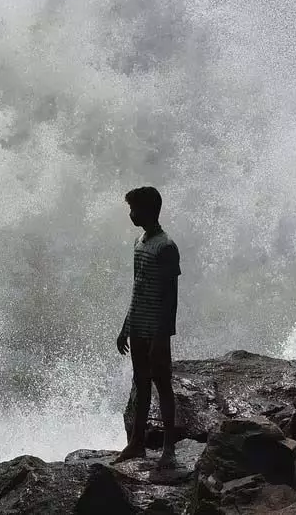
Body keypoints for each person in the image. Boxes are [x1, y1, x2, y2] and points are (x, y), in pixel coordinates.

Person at [114, 186, 181, 465]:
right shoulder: (139, 241)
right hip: (139, 326)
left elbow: (170, 295)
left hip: (156, 329)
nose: (131, 214)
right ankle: (136, 443)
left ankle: (169, 448)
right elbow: (137, 288)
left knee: (162, 384)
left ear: (147, 211)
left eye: (134, 209)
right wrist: (125, 326)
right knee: (141, 384)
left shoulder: (166, 247)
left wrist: (162, 336)